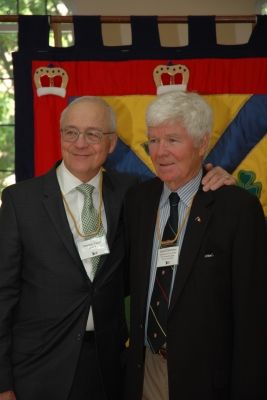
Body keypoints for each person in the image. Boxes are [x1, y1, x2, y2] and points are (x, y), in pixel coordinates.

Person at [0, 95, 233, 400]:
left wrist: (214, 175)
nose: (80, 143)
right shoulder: (21, 201)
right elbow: (3, 295)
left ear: (111, 144)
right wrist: (3, 383)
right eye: (71, 132)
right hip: (37, 371)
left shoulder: (132, 194)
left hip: (109, 370)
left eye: (93, 134)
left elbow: (182, 179)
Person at [124, 91, 267, 400]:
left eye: (173, 140)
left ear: (202, 143)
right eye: (153, 140)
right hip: (145, 371)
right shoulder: (138, 201)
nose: (160, 152)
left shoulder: (237, 209)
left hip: (208, 380)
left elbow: (252, 317)